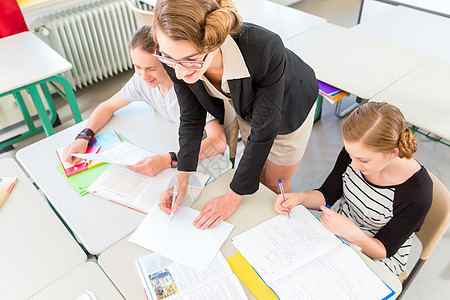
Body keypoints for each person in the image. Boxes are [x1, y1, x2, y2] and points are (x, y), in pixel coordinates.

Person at [155, 0, 319, 229]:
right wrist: (183, 179)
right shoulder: (173, 54)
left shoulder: (265, 48)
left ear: (215, 42)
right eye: (169, 58)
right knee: (258, 174)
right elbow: (192, 117)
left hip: (290, 103)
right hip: (245, 103)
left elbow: (264, 131)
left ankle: (283, 234)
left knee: (274, 182)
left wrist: (232, 197)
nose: (180, 73)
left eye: (191, 60)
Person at [274, 102, 432, 276]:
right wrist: (300, 198)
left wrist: (350, 232)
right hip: (340, 232)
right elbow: (327, 194)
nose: (354, 165)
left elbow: (384, 249)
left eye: (363, 160)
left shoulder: (417, 193)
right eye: (350, 155)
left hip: (376, 254)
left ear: (393, 153)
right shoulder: (356, 152)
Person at [63, 26, 227, 176]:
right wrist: (83, 138)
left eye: (151, 69)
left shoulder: (191, 88)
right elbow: (107, 107)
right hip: (171, 143)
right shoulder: (141, 81)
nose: (143, 75)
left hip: (205, 158)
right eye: (137, 67)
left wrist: (169, 159)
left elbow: (218, 142)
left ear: (169, 61)